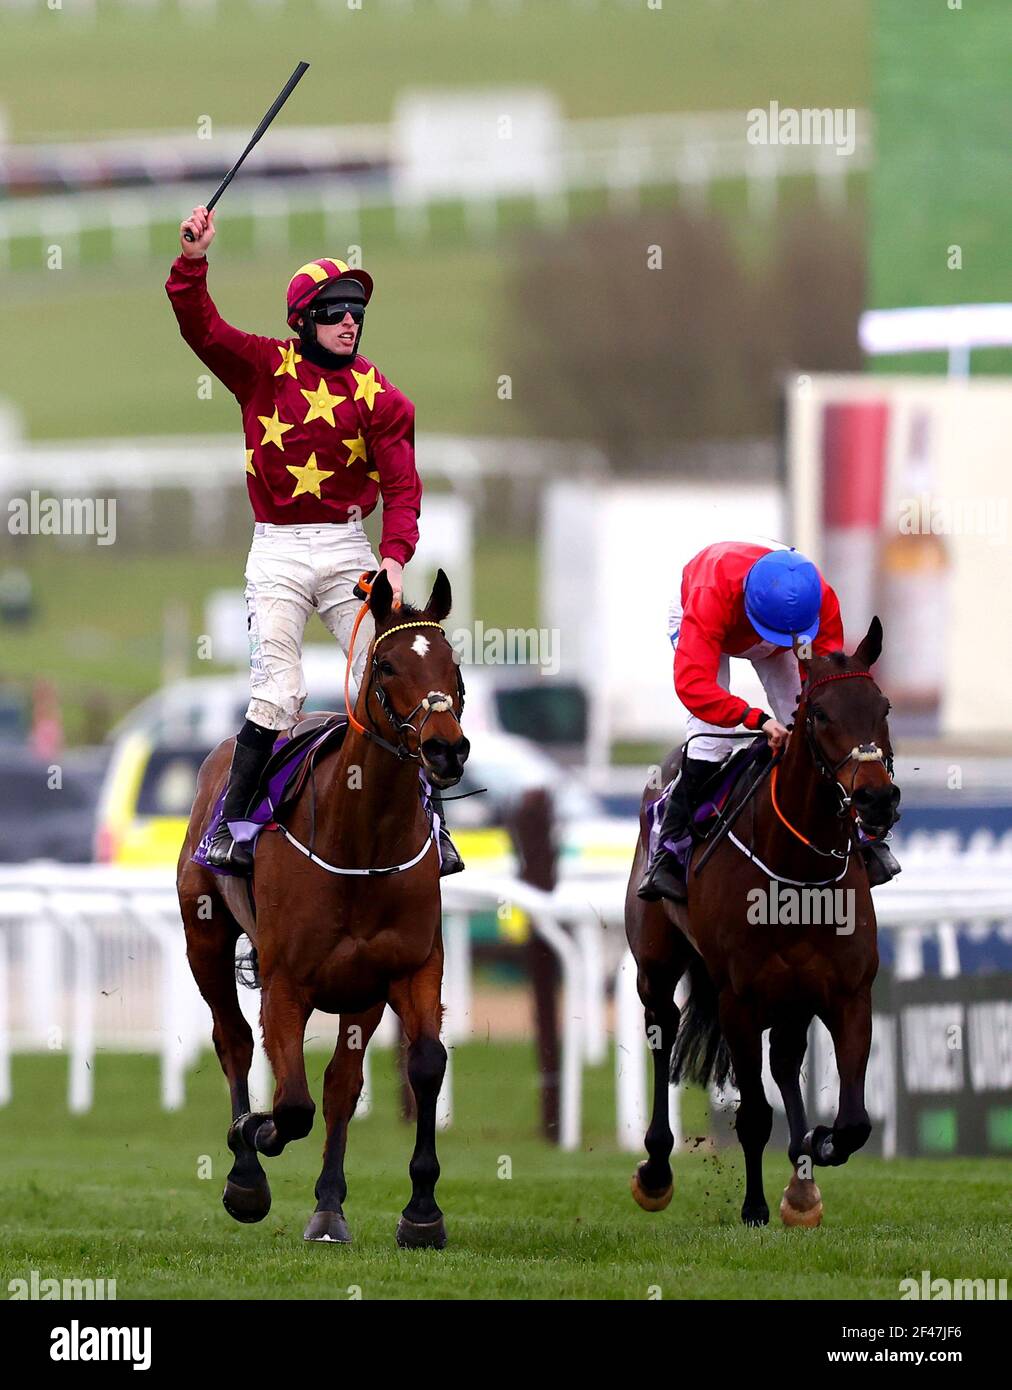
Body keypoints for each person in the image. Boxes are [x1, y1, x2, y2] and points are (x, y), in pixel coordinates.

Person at [165, 205, 462, 875]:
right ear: (303, 321)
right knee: (279, 693)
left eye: (355, 309)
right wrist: (192, 263)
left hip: (348, 553)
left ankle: (434, 828)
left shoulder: (380, 397)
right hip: (276, 552)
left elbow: (402, 489)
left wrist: (393, 557)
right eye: (333, 310)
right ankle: (230, 828)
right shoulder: (261, 367)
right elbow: (200, 326)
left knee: (389, 680)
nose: (348, 320)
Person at [638, 541, 899, 903]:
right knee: (712, 743)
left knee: (816, 734)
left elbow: (827, 689)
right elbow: (692, 685)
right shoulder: (709, 595)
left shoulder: (819, 597)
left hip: (782, 628)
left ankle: (863, 837)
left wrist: (805, 721)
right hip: (708, 619)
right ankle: (667, 851)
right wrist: (758, 720)